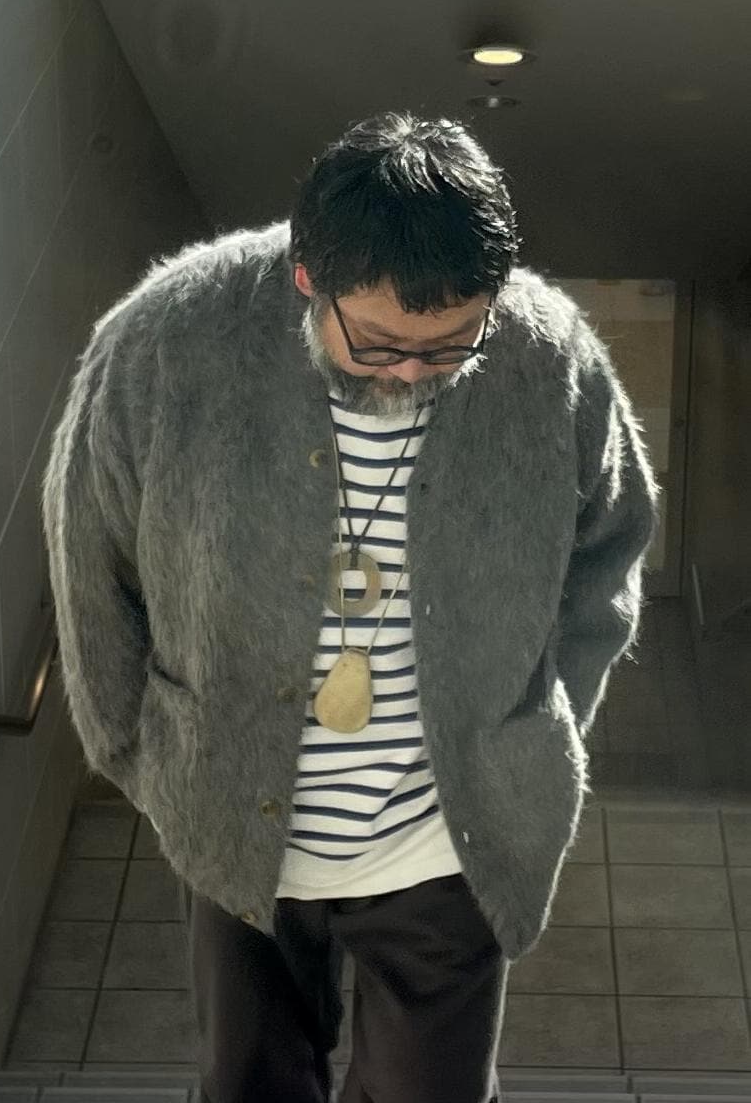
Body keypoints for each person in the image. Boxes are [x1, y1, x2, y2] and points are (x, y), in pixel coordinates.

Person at [41, 110, 660, 1103]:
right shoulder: (163, 339)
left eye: (450, 347)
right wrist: (140, 754)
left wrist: (529, 736)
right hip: (233, 827)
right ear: (307, 277)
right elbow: (89, 552)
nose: (411, 371)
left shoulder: (552, 357)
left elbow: (610, 549)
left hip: (448, 847)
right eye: (376, 344)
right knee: (248, 1084)